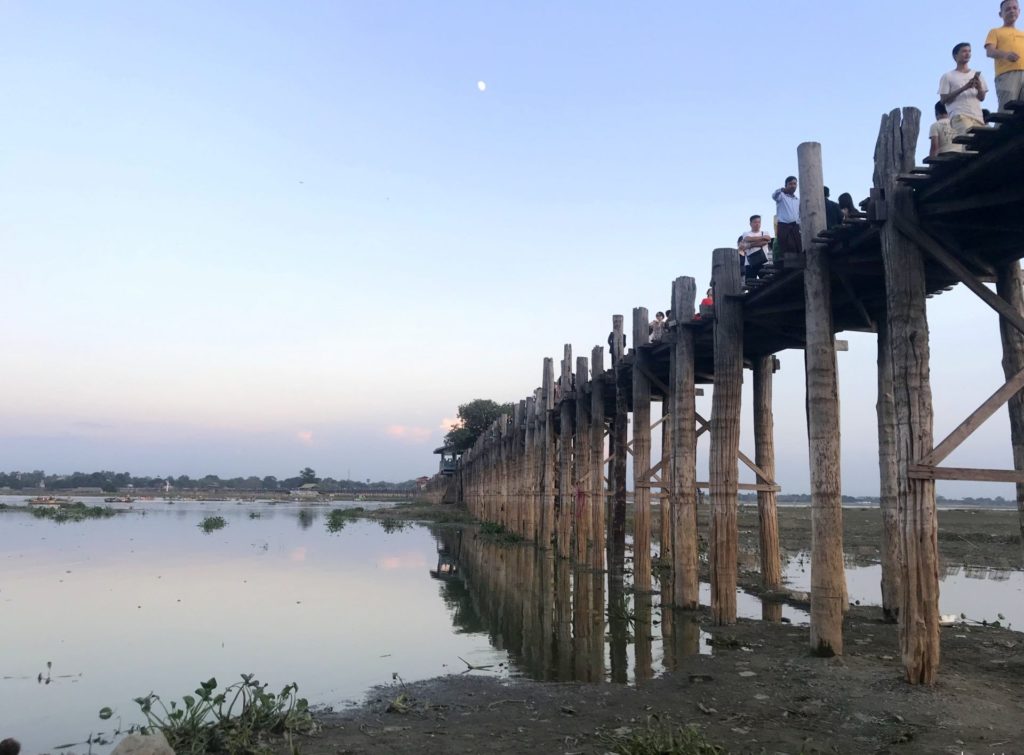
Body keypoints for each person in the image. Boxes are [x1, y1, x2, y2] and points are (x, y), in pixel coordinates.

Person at [939, 43, 989, 136]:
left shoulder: (977, 74)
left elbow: (982, 98)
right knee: (968, 145)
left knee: (979, 147)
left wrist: (979, 87)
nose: (968, 54)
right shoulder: (948, 76)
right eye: (964, 51)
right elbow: (943, 100)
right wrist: (964, 88)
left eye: (969, 51)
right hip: (960, 115)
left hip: (978, 117)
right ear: (955, 55)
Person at [986, 0, 1024, 111]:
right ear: (1000, 14)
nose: (1012, 11)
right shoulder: (995, 32)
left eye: (1014, 8)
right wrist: (1005, 55)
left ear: (1019, 11)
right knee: (1007, 109)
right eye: (1007, 9)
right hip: (1006, 74)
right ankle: (1002, 128)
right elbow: (990, 51)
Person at [772, 176, 801, 266]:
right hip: (784, 226)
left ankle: (797, 264)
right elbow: (774, 195)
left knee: (797, 246)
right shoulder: (781, 196)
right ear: (786, 185)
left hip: (795, 226)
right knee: (786, 247)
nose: (793, 186)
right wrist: (782, 190)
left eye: (794, 184)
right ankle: (787, 267)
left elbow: (799, 214)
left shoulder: (798, 200)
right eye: (790, 184)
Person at [738, 215, 773, 279]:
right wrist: (762, 238)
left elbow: (765, 241)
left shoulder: (765, 232)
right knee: (750, 283)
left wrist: (749, 245)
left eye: (759, 222)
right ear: (750, 224)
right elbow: (748, 239)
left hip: (764, 262)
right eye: (755, 222)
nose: (757, 224)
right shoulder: (746, 233)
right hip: (750, 263)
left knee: (766, 283)